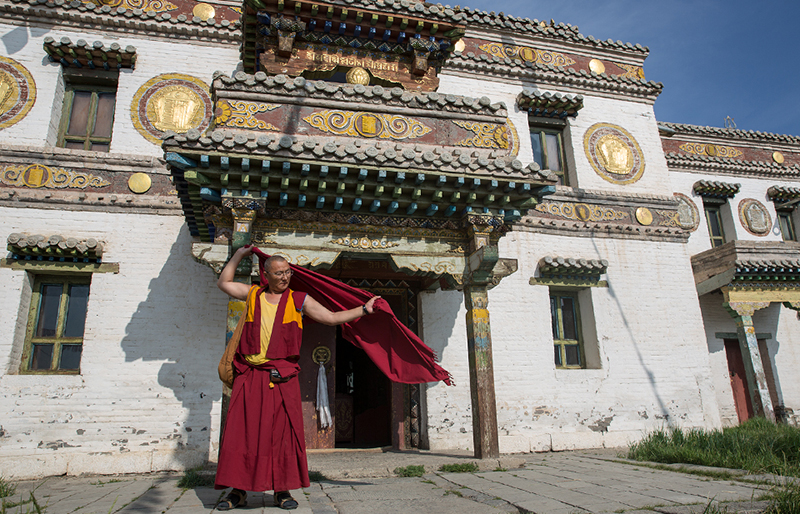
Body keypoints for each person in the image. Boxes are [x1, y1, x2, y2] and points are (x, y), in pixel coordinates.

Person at [214, 245, 379, 510]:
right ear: (266, 275)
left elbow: (331, 317)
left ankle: (282, 490)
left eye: (287, 272)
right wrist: (238, 255)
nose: (284, 277)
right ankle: (238, 491)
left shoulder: (299, 300)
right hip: (251, 375)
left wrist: (364, 310)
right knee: (242, 433)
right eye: (278, 273)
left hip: (283, 378)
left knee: (283, 435)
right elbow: (224, 283)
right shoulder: (253, 294)